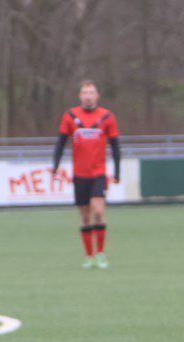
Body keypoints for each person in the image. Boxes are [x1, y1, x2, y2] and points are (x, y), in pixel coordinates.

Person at [52, 80, 120, 270]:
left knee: (98, 211)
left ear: (97, 95)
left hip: (98, 173)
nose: (88, 96)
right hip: (79, 175)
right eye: (85, 92)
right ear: (80, 96)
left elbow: (115, 146)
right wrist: (55, 166)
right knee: (85, 217)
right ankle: (89, 256)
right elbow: (60, 143)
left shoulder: (107, 117)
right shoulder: (70, 116)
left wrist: (117, 171)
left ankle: (101, 253)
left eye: (91, 92)